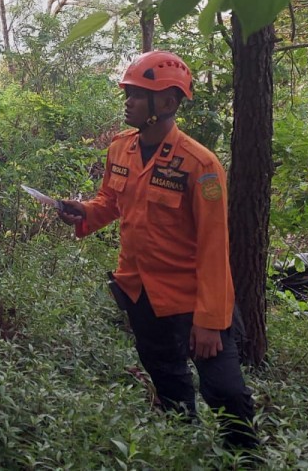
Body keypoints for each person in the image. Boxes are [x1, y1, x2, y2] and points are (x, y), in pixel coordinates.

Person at [56, 50, 257, 449]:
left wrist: (210, 320)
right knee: (169, 382)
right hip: (140, 293)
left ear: (166, 102)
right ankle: (184, 448)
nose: (128, 101)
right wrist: (82, 212)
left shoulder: (200, 164)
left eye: (137, 94)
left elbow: (215, 246)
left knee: (226, 391)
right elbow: (110, 203)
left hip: (192, 299)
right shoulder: (121, 148)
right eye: (128, 93)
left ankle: (245, 457)